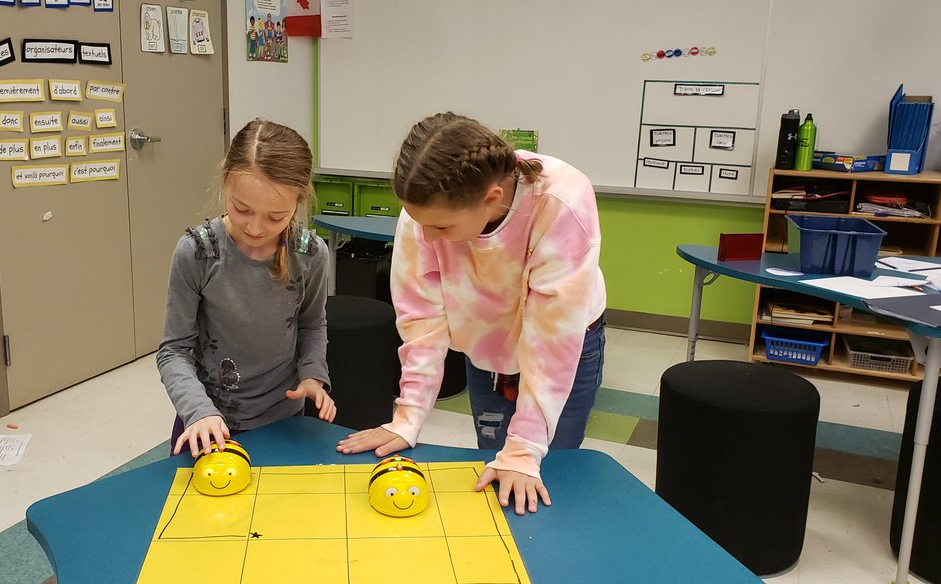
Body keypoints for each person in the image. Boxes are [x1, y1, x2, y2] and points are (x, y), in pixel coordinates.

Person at [337, 112, 607, 515]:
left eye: (442, 229)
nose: (426, 237)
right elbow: (421, 319)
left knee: (544, 467)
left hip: (565, 346)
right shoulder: (425, 212)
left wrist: (525, 448)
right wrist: (408, 416)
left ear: (491, 199)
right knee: (494, 463)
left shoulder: (561, 200)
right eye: (419, 223)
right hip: (487, 346)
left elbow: (552, 339)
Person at [158, 119, 336, 458]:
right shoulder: (197, 252)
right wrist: (199, 411)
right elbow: (173, 350)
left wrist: (313, 375)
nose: (256, 227)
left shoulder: (310, 254)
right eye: (242, 209)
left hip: (283, 421)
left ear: (299, 201)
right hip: (205, 423)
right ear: (226, 181)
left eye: (276, 217)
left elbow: (312, 323)